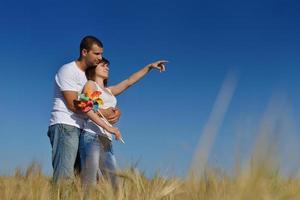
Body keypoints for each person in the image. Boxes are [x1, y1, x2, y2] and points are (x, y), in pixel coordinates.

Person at [79, 57, 167, 188]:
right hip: (91, 136)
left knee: (115, 185)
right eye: (103, 65)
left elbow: (129, 81)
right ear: (93, 68)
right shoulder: (90, 84)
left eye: (107, 65)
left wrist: (149, 67)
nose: (106, 67)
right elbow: (85, 107)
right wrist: (109, 128)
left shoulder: (109, 91)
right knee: (89, 184)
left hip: (106, 140)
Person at [48, 36, 121, 183]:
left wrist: (112, 112)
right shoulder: (68, 70)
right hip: (66, 126)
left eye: (101, 54)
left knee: (84, 179)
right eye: (97, 54)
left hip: (83, 129)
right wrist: (103, 114)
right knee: (65, 177)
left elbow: (93, 103)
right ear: (84, 52)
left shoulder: (87, 77)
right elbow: (72, 104)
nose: (100, 58)